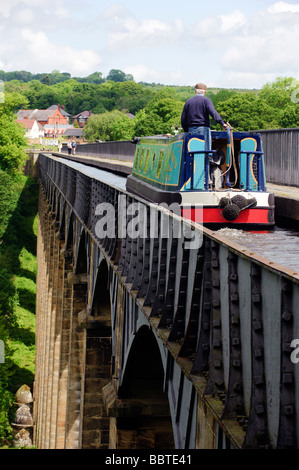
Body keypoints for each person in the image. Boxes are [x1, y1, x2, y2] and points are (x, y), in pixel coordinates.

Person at [181, 83, 227, 151]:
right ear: (205, 91)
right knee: (205, 152)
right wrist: (222, 123)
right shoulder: (206, 100)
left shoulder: (188, 102)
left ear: (195, 91)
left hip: (191, 130)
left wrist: (186, 130)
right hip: (203, 130)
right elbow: (213, 113)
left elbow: (183, 119)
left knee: (192, 152)